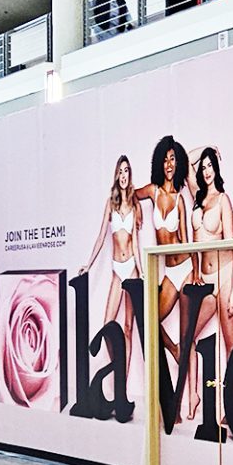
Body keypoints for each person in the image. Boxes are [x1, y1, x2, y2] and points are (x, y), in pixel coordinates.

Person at [133, 136, 199, 420]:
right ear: (159, 162)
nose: (169, 164)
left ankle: (180, 405)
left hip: (184, 269)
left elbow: (187, 239)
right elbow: (131, 194)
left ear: (178, 163)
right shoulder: (153, 191)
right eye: (165, 159)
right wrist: (137, 209)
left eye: (173, 159)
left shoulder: (181, 199)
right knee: (151, 320)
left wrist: (196, 271)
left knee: (187, 334)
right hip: (169, 273)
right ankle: (172, 349)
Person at [78, 155, 143, 383]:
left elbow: (135, 242)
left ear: (130, 174)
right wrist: (89, 264)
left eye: (126, 171)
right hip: (117, 269)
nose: (123, 175)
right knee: (108, 325)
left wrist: (142, 272)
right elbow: (100, 237)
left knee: (128, 328)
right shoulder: (111, 203)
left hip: (132, 269)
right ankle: (118, 368)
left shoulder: (135, 204)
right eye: (120, 171)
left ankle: (121, 383)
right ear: (116, 175)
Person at [192, 147, 233, 383]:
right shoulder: (197, 197)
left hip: (225, 276)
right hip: (205, 280)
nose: (206, 171)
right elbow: (186, 159)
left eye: (210, 165)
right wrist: (207, 147)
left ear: (216, 168)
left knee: (231, 346)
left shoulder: (223, 199)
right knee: (189, 336)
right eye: (203, 167)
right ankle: (194, 396)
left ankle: (231, 402)